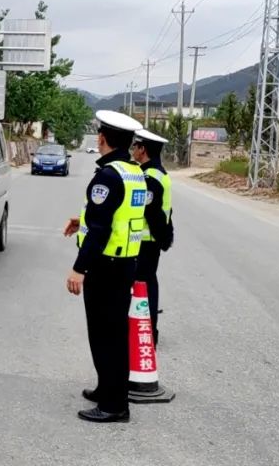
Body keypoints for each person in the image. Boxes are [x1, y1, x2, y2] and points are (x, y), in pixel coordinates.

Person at [63, 109, 146, 423]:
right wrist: (80, 220)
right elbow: (111, 217)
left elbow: (100, 229)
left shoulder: (109, 176)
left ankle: (114, 405)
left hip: (106, 267)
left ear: (102, 139)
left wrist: (78, 269)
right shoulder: (133, 171)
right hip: (123, 263)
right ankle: (107, 388)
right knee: (111, 333)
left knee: (105, 336)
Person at [131, 129, 174, 346]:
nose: (133, 151)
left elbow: (152, 212)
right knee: (145, 284)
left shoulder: (151, 177)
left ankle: (148, 330)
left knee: (144, 286)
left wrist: (162, 237)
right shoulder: (155, 172)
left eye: (135, 147)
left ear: (143, 149)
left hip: (147, 242)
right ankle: (144, 327)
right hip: (149, 241)